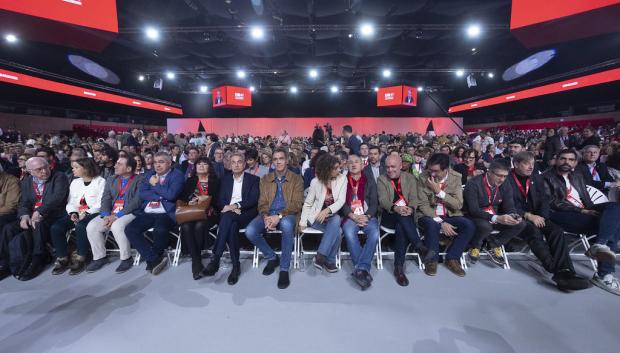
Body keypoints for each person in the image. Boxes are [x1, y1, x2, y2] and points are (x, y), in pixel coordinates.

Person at [506, 151, 590, 291]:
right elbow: (507, 205)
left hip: (538, 216)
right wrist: (528, 216)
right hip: (517, 217)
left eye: (533, 164)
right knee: (534, 233)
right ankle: (558, 271)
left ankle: (566, 271)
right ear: (516, 164)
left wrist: (543, 217)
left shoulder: (535, 177)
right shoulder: (507, 179)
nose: (531, 167)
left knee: (556, 231)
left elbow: (544, 200)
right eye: (526, 163)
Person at [543, 149, 620, 295]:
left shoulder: (577, 175)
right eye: (563, 159)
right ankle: (604, 275)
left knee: (615, 208)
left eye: (571, 160)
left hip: (586, 210)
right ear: (556, 159)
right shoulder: (546, 177)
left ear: (576, 162)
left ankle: (600, 244)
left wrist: (591, 210)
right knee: (612, 225)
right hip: (562, 214)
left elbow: (586, 199)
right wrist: (582, 211)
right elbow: (552, 202)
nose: (567, 162)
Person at [245, 148, 304, 289]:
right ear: (272, 162)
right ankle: (272, 257)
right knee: (250, 231)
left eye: (281, 158)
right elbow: (262, 202)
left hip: (288, 214)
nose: (278, 162)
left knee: (287, 226)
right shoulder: (265, 179)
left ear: (287, 160)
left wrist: (278, 216)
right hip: (269, 213)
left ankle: (284, 268)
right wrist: (266, 216)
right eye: (275, 159)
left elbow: (297, 204)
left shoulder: (296, 179)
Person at [202, 153, 259, 285]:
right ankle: (236, 266)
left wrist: (236, 205)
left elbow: (253, 199)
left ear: (244, 164)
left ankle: (216, 259)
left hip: (245, 213)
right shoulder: (224, 179)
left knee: (228, 218)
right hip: (229, 213)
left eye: (239, 162)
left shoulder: (253, 179)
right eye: (233, 162)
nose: (236, 164)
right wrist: (231, 208)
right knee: (231, 225)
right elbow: (220, 200)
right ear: (230, 164)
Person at [125, 152, 185, 276]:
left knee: (160, 230)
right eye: (155, 162)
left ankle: (154, 258)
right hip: (148, 211)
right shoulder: (149, 175)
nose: (157, 165)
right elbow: (142, 193)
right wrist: (160, 196)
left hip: (166, 212)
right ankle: (154, 259)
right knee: (130, 229)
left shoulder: (177, 175)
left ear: (169, 163)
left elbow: (171, 195)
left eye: (161, 162)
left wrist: (155, 185)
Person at [377, 155, 432, 286]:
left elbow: (414, 198)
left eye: (393, 167)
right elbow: (383, 200)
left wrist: (411, 208)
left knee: (402, 226)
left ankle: (399, 268)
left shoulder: (410, 178)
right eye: (387, 167)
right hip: (389, 214)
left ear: (401, 166)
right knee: (403, 219)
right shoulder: (381, 179)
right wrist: (396, 208)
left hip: (407, 214)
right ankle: (419, 247)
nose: (389, 170)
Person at [416, 153, 474, 277]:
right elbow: (423, 205)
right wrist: (441, 223)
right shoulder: (422, 177)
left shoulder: (456, 177)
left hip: (450, 214)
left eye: (436, 171)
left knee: (469, 225)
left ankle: (452, 258)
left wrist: (439, 192)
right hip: (428, 214)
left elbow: (458, 204)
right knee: (432, 225)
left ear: (446, 169)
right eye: (430, 170)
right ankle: (432, 260)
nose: (432, 174)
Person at [85, 154, 143, 274]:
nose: (115, 165)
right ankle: (100, 257)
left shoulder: (140, 180)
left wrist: (117, 216)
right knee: (91, 226)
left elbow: (137, 201)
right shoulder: (111, 179)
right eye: (116, 163)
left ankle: (126, 258)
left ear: (129, 169)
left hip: (130, 212)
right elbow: (105, 198)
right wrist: (106, 214)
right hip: (111, 213)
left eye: (119, 164)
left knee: (117, 226)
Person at [47, 158, 105, 275]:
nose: (73, 170)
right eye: (73, 167)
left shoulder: (100, 181)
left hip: (94, 213)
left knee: (81, 226)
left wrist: (86, 213)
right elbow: (71, 202)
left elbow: (101, 203)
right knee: (56, 227)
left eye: (76, 167)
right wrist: (73, 213)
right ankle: (62, 258)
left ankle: (81, 257)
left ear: (86, 168)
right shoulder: (75, 182)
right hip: (78, 213)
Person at [463, 160, 526, 267]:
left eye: (505, 176)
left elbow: (509, 205)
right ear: (489, 172)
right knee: (485, 226)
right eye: (499, 175)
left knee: (520, 223)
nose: (502, 179)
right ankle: (475, 246)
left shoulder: (505, 183)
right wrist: (496, 218)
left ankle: (493, 244)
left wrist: (513, 215)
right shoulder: (473, 184)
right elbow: (473, 210)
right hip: (474, 216)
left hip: (494, 215)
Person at [300, 153, 347, 272]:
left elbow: (341, 200)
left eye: (339, 167)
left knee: (336, 220)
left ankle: (321, 256)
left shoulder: (342, 179)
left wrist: (327, 210)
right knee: (338, 230)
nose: (339, 170)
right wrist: (303, 221)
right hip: (316, 217)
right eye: (335, 168)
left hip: (331, 216)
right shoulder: (315, 182)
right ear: (327, 169)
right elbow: (308, 203)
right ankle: (329, 261)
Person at [341, 154, 379, 290]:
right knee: (349, 232)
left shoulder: (370, 180)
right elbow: (341, 203)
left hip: (367, 215)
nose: (353, 164)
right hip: (351, 216)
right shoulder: (342, 181)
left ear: (362, 165)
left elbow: (375, 203)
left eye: (356, 162)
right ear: (346, 165)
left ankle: (359, 269)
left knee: (374, 233)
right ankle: (363, 269)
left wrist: (367, 216)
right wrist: (353, 216)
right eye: (350, 162)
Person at [177, 157, 220, 279]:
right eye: (199, 164)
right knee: (185, 226)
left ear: (209, 167)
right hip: (191, 212)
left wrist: (206, 199)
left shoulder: (215, 181)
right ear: (195, 167)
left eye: (204, 164)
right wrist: (190, 201)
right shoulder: (191, 181)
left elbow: (219, 200)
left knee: (199, 225)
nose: (201, 166)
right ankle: (196, 261)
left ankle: (196, 262)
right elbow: (182, 197)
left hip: (209, 213)